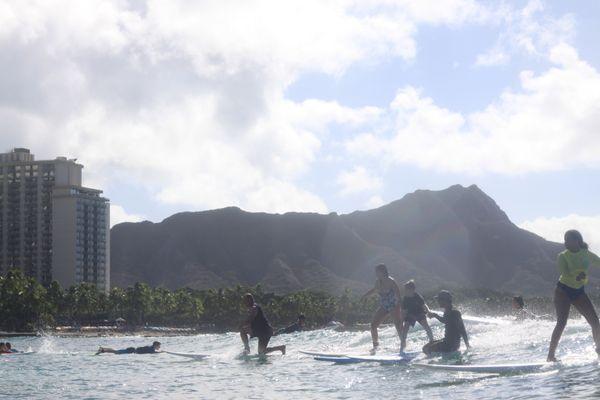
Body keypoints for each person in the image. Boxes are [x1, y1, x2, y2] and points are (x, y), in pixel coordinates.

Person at [547, 230, 600, 362]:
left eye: (568, 239)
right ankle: (550, 356)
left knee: (595, 322)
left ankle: (599, 350)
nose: (565, 242)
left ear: (578, 241)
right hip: (563, 291)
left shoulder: (586, 254)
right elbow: (565, 273)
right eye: (565, 239)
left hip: (579, 292)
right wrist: (583, 277)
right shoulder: (562, 256)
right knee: (561, 323)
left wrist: (584, 277)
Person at [361, 264, 403, 350]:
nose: (376, 273)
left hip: (394, 305)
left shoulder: (391, 281)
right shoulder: (378, 281)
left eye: (377, 271)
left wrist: (400, 308)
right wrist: (365, 296)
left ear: (383, 271)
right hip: (384, 306)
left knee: (398, 325)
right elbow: (374, 290)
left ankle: (403, 344)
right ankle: (375, 346)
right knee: (373, 325)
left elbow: (399, 295)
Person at [423, 290, 470, 355]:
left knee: (426, 349)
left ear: (445, 300)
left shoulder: (455, 313)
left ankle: (435, 362)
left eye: (439, 300)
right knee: (425, 347)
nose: (438, 302)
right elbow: (445, 320)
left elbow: (462, 329)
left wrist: (467, 345)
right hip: (447, 341)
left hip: (451, 345)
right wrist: (435, 315)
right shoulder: (446, 312)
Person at [400, 280, 434, 351]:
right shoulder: (405, 299)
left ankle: (432, 341)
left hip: (419, 313)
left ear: (412, 290)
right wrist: (401, 322)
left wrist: (428, 311)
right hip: (410, 314)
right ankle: (403, 346)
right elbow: (403, 312)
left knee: (426, 326)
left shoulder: (417, 296)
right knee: (405, 329)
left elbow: (424, 305)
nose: (405, 291)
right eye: (405, 290)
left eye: (406, 290)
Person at [96, 341, 161, 355]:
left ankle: (103, 350)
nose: (160, 347)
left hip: (132, 350)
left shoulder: (151, 348)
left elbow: (153, 352)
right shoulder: (151, 349)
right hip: (131, 351)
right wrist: (161, 352)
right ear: (155, 345)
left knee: (116, 351)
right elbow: (153, 353)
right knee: (116, 351)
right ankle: (102, 350)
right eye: (159, 346)